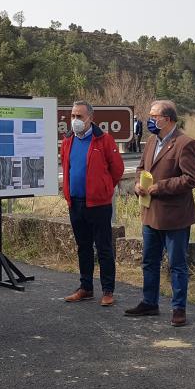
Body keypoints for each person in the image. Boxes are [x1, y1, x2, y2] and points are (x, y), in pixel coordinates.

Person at [125, 100, 195, 326]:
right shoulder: (150, 142)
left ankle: (179, 308)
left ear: (166, 119)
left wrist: (161, 186)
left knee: (176, 264)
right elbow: (141, 169)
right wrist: (138, 183)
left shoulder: (184, 143)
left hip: (175, 216)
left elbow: (191, 179)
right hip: (150, 212)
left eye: (153, 115)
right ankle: (149, 302)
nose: (149, 119)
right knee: (149, 261)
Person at [60, 101, 126, 306]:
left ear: (90, 118)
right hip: (76, 203)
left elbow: (118, 170)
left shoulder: (104, 140)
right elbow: (68, 168)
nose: (75, 120)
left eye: (79, 116)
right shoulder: (68, 142)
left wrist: (104, 188)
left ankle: (108, 291)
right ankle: (86, 287)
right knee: (83, 247)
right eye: (72, 116)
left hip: (99, 204)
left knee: (104, 248)